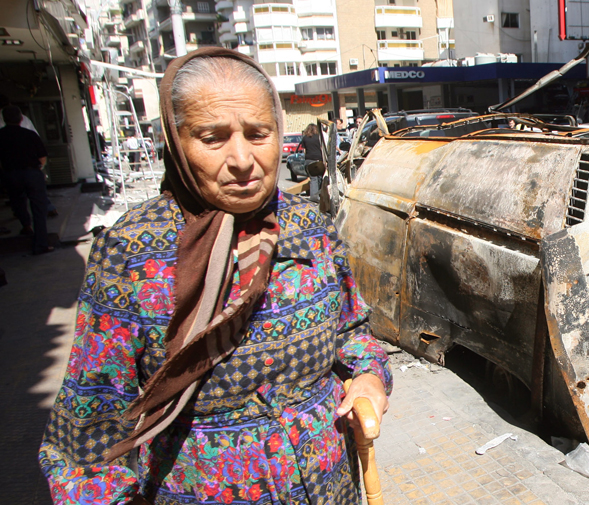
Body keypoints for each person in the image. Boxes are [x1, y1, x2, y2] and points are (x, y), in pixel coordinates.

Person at [39, 48, 392, 505]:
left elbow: (353, 330)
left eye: (258, 134)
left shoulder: (310, 227)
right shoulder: (128, 253)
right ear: (177, 141)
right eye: (212, 137)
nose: (243, 158)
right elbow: (89, 428)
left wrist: (369, 376)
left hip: (328, 485)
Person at [0, 105, 51, 254]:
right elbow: (42, 157)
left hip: (11, 174)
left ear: (3, 119)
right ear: (21, 118)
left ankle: (26, 226)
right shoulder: (29, 135)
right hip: (32, 173)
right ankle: (41, 244)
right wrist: (37, 169)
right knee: (39, 209)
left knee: (17, 202)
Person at [299, 122, 325, 202]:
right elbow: (322, 148)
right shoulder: (319, 137)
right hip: (318, 159)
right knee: (320, 177)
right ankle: (320, 194)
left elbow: (304, 150)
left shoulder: (305, 138)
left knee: (313, 178)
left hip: (309, 160)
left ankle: (313, 197)